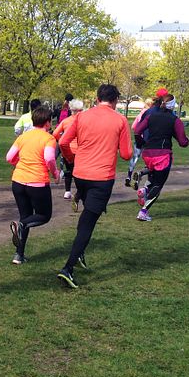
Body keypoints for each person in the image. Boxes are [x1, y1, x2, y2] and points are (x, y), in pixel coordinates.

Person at [56, 84, 132, 288]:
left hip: (80, 174)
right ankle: (68, 268)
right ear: (115, 100)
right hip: (102, 178)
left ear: (98, 98)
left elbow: (63, 142)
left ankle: (79, 255)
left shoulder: (82, 116)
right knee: (89, 222)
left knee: (87, 216)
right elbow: (126, 154)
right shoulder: (120, 120)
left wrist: (72, 159)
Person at [7, 106, 59, 265]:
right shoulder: (48, 138)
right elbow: (49, 158)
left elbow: (9, 157)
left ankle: (19, 255)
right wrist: (55, 174)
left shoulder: (23, 137)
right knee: (44, 215)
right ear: (48, 122)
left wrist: (19, 163)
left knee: (27, 217)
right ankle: (21, 225)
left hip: (18, 181)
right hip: (36, 182)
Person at [132, 94, 189, 221]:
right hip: (162, 155)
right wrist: (187, 141)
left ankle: (144, 188)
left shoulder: (151, 116)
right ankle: (143, 212)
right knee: (158, 185)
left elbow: (137, 130)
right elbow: (182, 142)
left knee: (153, 176)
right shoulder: (175, 120)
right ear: (173, 105)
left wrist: (140, 142)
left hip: (148, 153)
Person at [52, 98, 84, 200]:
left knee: (69, 170)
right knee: (80, 173)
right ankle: (80, 192)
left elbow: (55, 133)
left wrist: (61, 139)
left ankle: (67, 191)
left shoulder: (66, 121)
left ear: (71, 109)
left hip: (68, 149)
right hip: (80, 150)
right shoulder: (84, 121)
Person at [125, 98, 153, 187]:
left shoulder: (140, 114)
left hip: (139, 139)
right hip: (148, 140)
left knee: (135, 158)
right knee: (148, 160)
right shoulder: (151, 114)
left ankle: (129, 176)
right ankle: (140, 176)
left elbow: (133, 126)